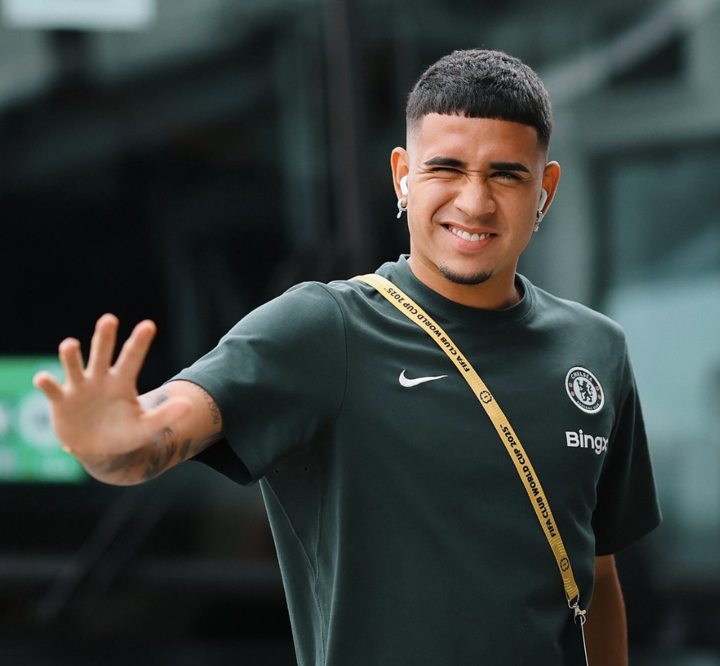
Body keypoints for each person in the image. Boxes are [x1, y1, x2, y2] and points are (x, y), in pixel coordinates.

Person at [34, 49, 661, 665]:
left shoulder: (596, 349)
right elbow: (160, 429)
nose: (475, 202)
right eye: (446, 169)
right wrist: (111, 445)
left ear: (544, 188)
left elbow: (597, 574)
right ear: (402, 175)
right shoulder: (325, 326)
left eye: (506, 175)